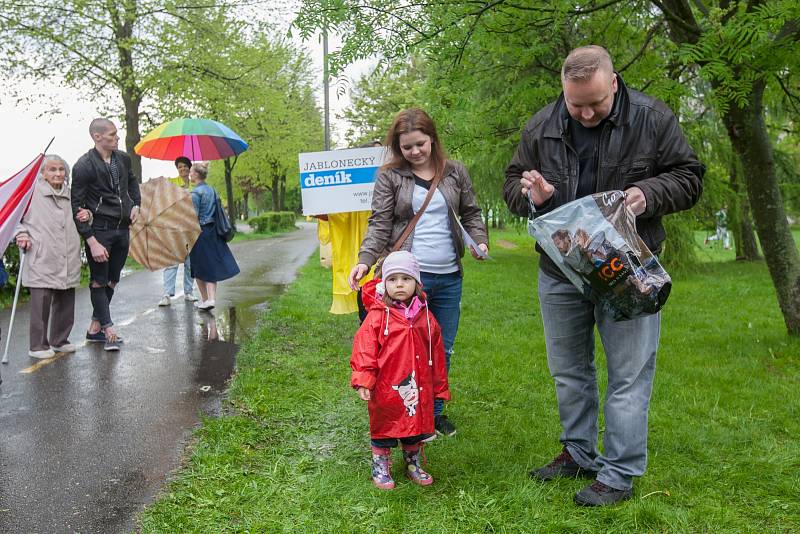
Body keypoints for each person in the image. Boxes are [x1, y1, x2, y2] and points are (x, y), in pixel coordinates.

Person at [504, 45, 703, 506]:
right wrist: (532, 195)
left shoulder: (653, 119)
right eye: (577, 105)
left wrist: (646, 194)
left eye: (596, 102)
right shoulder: (541, 126)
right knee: (569, 370)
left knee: (629, 374)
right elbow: (512, 184)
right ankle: (578, 452)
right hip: (561, 269)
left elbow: (690, 177)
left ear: (614, 82)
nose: (587, 113)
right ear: (563, 90)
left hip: (628, 270)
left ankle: (618, 473)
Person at [348, 108, 489, 438]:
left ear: (433, 140)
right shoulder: (390, 176)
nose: (414, 152)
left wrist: (479, 240)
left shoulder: (455, 173)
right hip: (407, 281)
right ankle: (406, 411)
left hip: (450, 276)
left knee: (441, 348)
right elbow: (379, 222)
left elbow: (471, 213)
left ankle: (435, 414)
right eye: (407, 147)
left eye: (420, 145)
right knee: (406, 350)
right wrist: (365, 260)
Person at [350, 251, 450, 489]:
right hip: (386, 384)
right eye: (392, 279)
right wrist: (364, 379)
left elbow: (436, 354)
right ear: (384, 284)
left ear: (416, 283)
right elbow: (364, 350)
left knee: (414, 423)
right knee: (385, 423)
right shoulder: (376, 317)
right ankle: (381, 464)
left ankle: (413, 462)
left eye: (406, 279)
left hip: (418, 382)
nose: (399, 285)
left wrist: (439, 387)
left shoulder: (426, 317)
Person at [72, 118, 141, 352]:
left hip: (123, 228)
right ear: (97, 137)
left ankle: (94, 328)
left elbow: (132, 182)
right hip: (100, 230)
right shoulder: (83, 166)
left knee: (112, 279)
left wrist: (136, 205)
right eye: (112, 135)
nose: (117, 137)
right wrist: (91, 241)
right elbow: (77, 207)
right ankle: (108, 329)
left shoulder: (122, 158)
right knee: (98, 280)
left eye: (117, 133)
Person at [15, 155, 91, 358]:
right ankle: (38, 346)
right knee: (42, 301)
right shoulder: (31, 194)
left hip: (68, 253)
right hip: (42, 254)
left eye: (61, 169)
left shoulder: (72, 193)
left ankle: (60, 340)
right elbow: (15, 219)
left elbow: (84, 214)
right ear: (42, 173)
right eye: (52, 170)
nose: (58, 173)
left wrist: (88, 215)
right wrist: (21, 233)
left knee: (66, 299)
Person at [188, 162, 240, 310]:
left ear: (197, 174)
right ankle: (211, 299)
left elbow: (194, 217)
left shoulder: (195, 193)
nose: (190, 174)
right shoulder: (212, 190)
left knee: (198, 267)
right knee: (211, 265)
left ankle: (205, 299)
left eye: (191, 171)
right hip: (213, 232)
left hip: (199, 233)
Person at [158, 156, 197, 306]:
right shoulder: (173, 183)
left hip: (192, 227)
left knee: (190, 262)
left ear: (189, 168)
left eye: (185, 167)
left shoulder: (195, 184)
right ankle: (167, 294)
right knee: (172, 261)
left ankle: (189, 292)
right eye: (180, 167)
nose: (183, 169)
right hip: (174, 227)